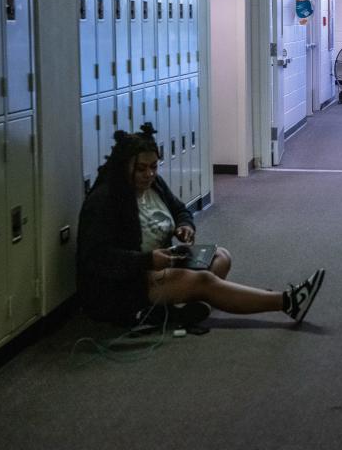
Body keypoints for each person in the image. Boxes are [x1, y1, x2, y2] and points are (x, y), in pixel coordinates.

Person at [77, 123, 324, 327]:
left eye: (153, 167)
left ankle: (170, 312)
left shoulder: (154, 185)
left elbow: (180, 210)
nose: (149, 174)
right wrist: (148, 260)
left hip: (164, 260)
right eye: (141, 169)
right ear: (124, 167)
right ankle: (285, 302)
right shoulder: (105, 200)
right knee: (204, 281)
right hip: (127, 284)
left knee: (221, 256)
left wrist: (185, 226)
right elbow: (97, 257)